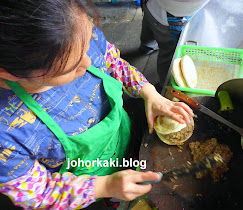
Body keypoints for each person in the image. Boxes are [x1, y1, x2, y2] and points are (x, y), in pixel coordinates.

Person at [0, 0, 194, 209]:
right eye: (70, 68)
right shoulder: (7, 133)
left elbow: (111, 60)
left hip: (121, 136)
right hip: (87, 179)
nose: (88, 63)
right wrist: (104, 186)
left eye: (87, 47)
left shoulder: (74, 31)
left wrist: (148, 92)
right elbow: (39, 193)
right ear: (9, 74)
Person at [139, 0, 210, 90]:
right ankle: (164, 84)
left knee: (149, 27)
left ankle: (146, 47)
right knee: (169, 52)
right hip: (173, 16)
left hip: (151, 6)